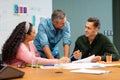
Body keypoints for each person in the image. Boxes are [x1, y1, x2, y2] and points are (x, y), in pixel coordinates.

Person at [1, 21, 70, 66]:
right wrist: (57, 61)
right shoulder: (20, 47)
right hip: (13, 73)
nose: (35, 34)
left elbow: (37, 57)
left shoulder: (30, 43)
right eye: (33, 32)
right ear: (26, 35)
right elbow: (33, 60)